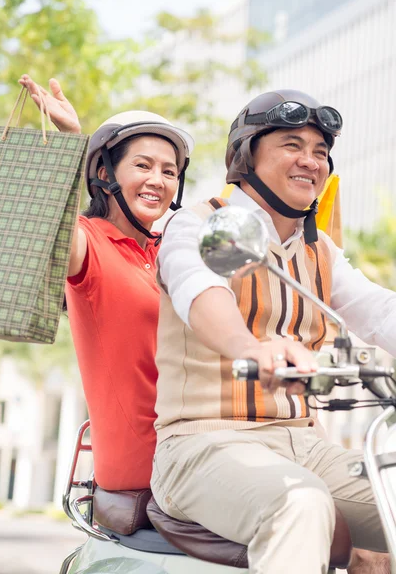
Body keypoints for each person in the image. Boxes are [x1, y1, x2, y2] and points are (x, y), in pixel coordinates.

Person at [151, 90, 396, 573]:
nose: (311, 161)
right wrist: (250, 347)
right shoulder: (199, 225)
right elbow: (200, 291)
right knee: (299, 503)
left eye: (321, 152)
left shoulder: (318, 249)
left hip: (303, 442)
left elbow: (377, 310)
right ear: (246, 155)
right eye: (292, 145)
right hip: (202, 444)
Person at [18, 74, 197, 491]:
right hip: (145, 465)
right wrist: (70, 141)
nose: (158, 180)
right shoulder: (89, 242)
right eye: (142, 165)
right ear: (104, 172)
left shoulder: (173, 251)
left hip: (193, 447)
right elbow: (47, 228)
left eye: (169, 171)